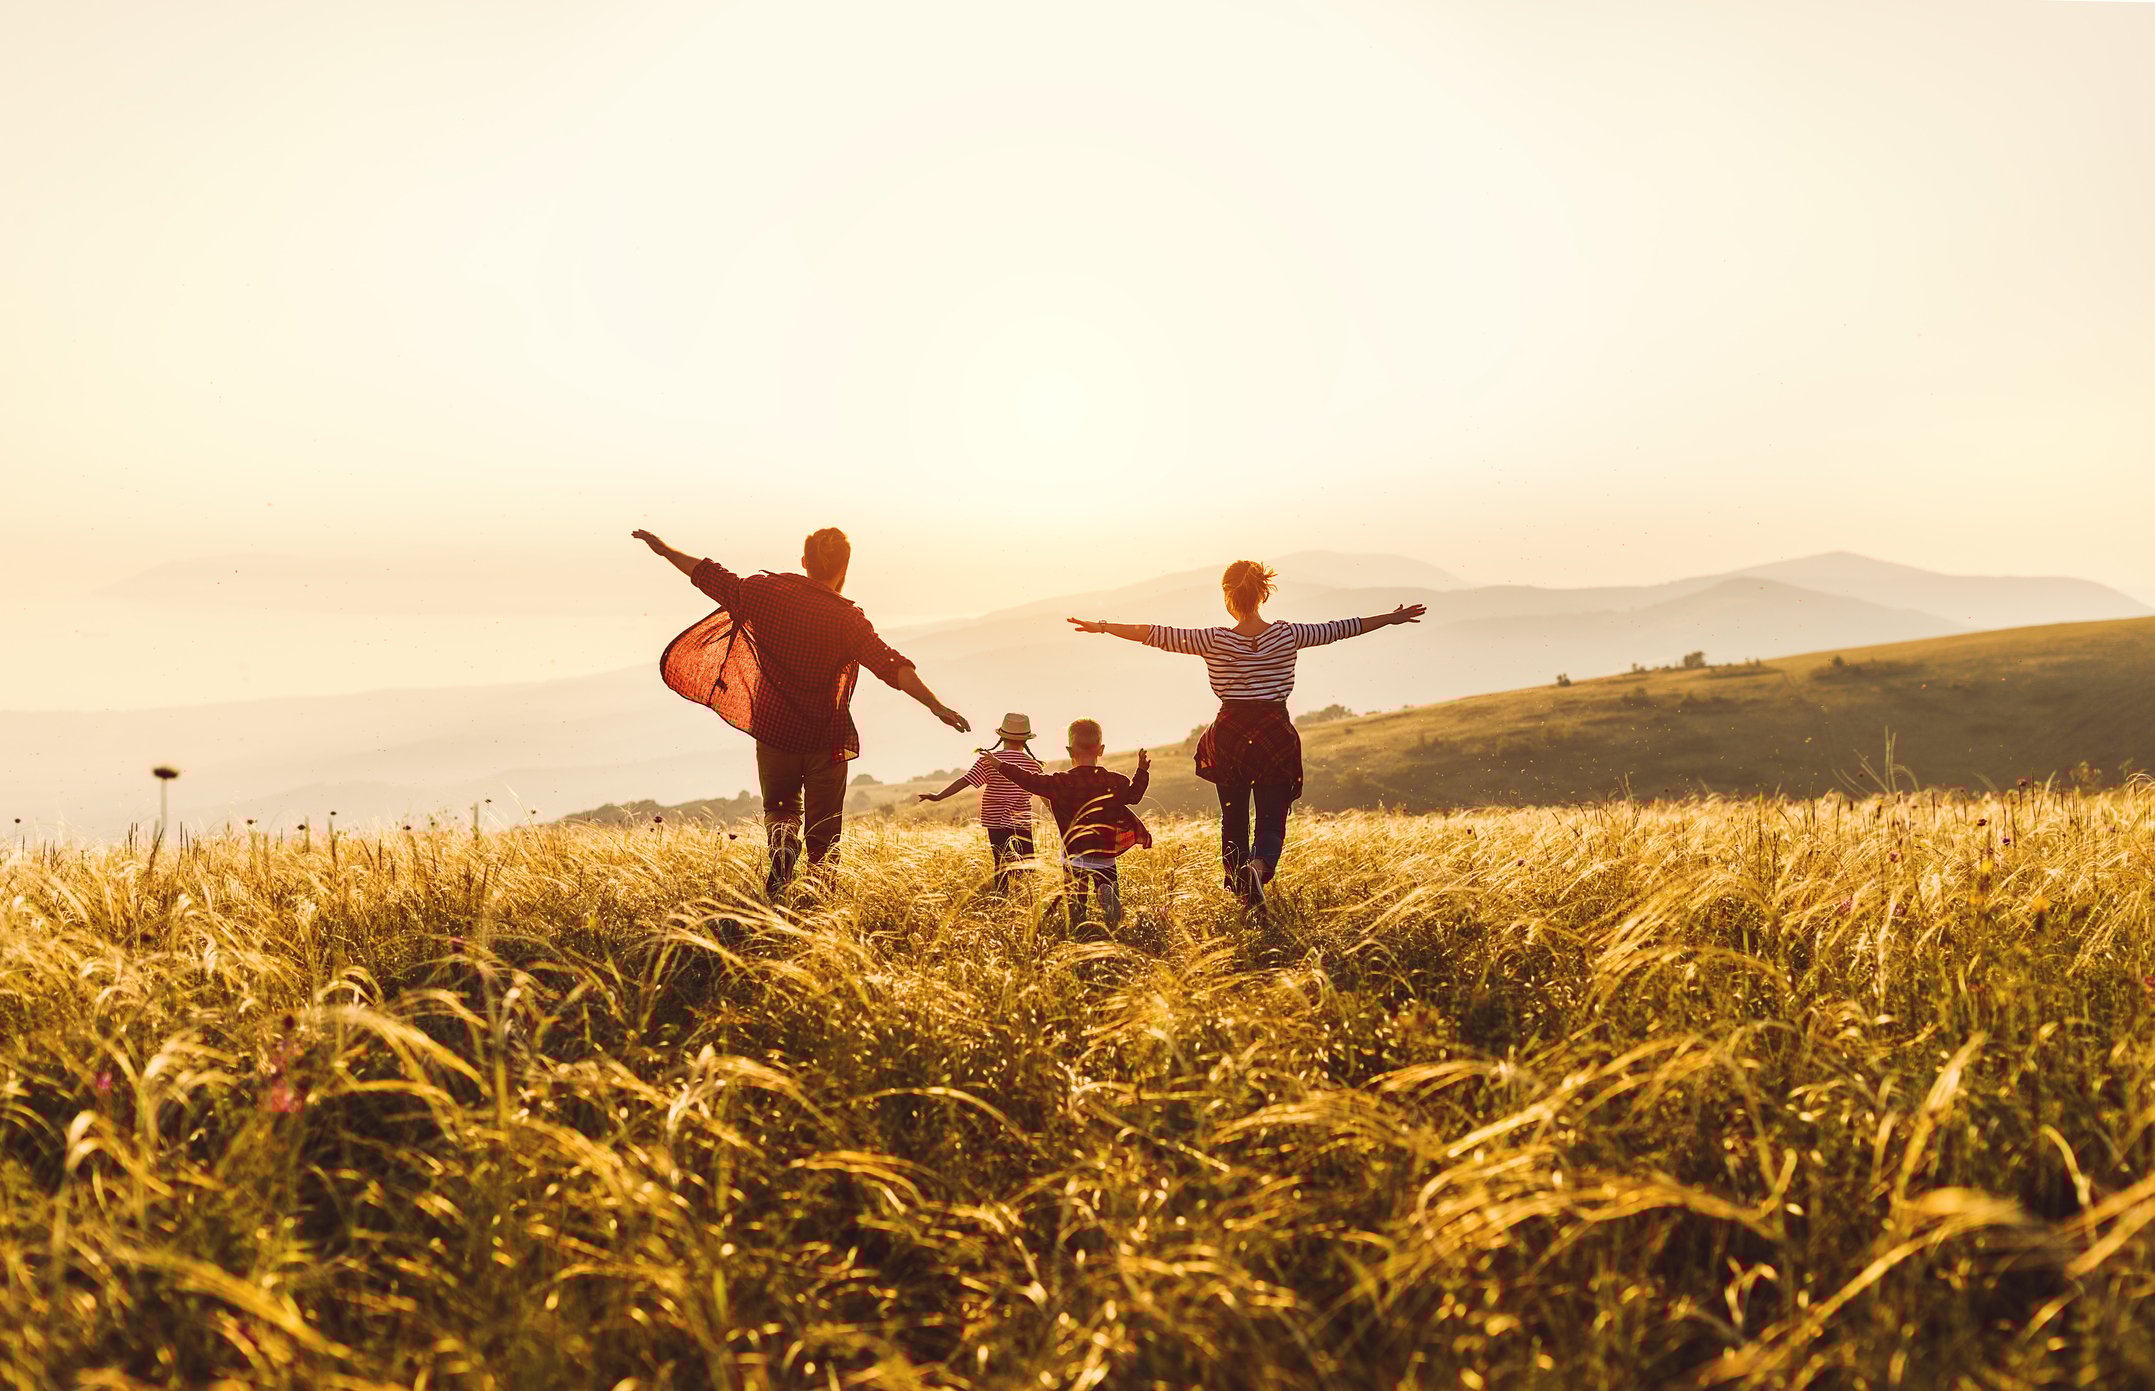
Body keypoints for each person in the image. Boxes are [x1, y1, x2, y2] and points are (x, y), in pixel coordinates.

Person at [633, 525, 970, 896]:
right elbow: (891, 665)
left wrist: (664, 549)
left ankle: (781, 863)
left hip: (775, 732)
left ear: (805, 561)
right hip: (826, 740)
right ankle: (819, 904)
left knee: (780, 811)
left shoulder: (763, 593)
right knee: (825, 831)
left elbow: (708, 574)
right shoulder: (847, 620)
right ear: (844, 568)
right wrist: (936, 706)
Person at [1067, 561, 1425, 908]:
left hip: (1230, 737)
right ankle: (1259, 868)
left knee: (1233, 818)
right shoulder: (1288, 634)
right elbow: (1342, 627)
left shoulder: (1212, 640)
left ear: (1228, 596)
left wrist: (1102, 626)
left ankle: (1241, 885)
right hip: (1275, 734)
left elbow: (1154, 634)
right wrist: (1390, 619)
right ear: (1263, 594)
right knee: (1272, 816)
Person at [984, 720, 1151, 929]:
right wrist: (1142, 771)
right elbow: (1134, 796)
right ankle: (1108, 905)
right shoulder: (1115, 781)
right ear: (1101, 750)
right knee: (1107, 884)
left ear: (1068, 750)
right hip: (1106, 855)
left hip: (1074, 856)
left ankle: (1079, 927)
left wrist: (1000, 765)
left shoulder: (1060, 782)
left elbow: (1028, 780)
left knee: (1075, 904)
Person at [917, 713, 1044, 892]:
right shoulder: (1034, 765)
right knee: (1026, 864)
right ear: (1026, 740)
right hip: (1021, 822)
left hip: (995, 822)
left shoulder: (988, 761)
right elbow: (1046, 791)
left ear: (1001, 737)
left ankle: (1001, 898)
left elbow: (965, 780)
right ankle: (1025, 899)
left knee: (1000, 863)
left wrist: (938, 796)